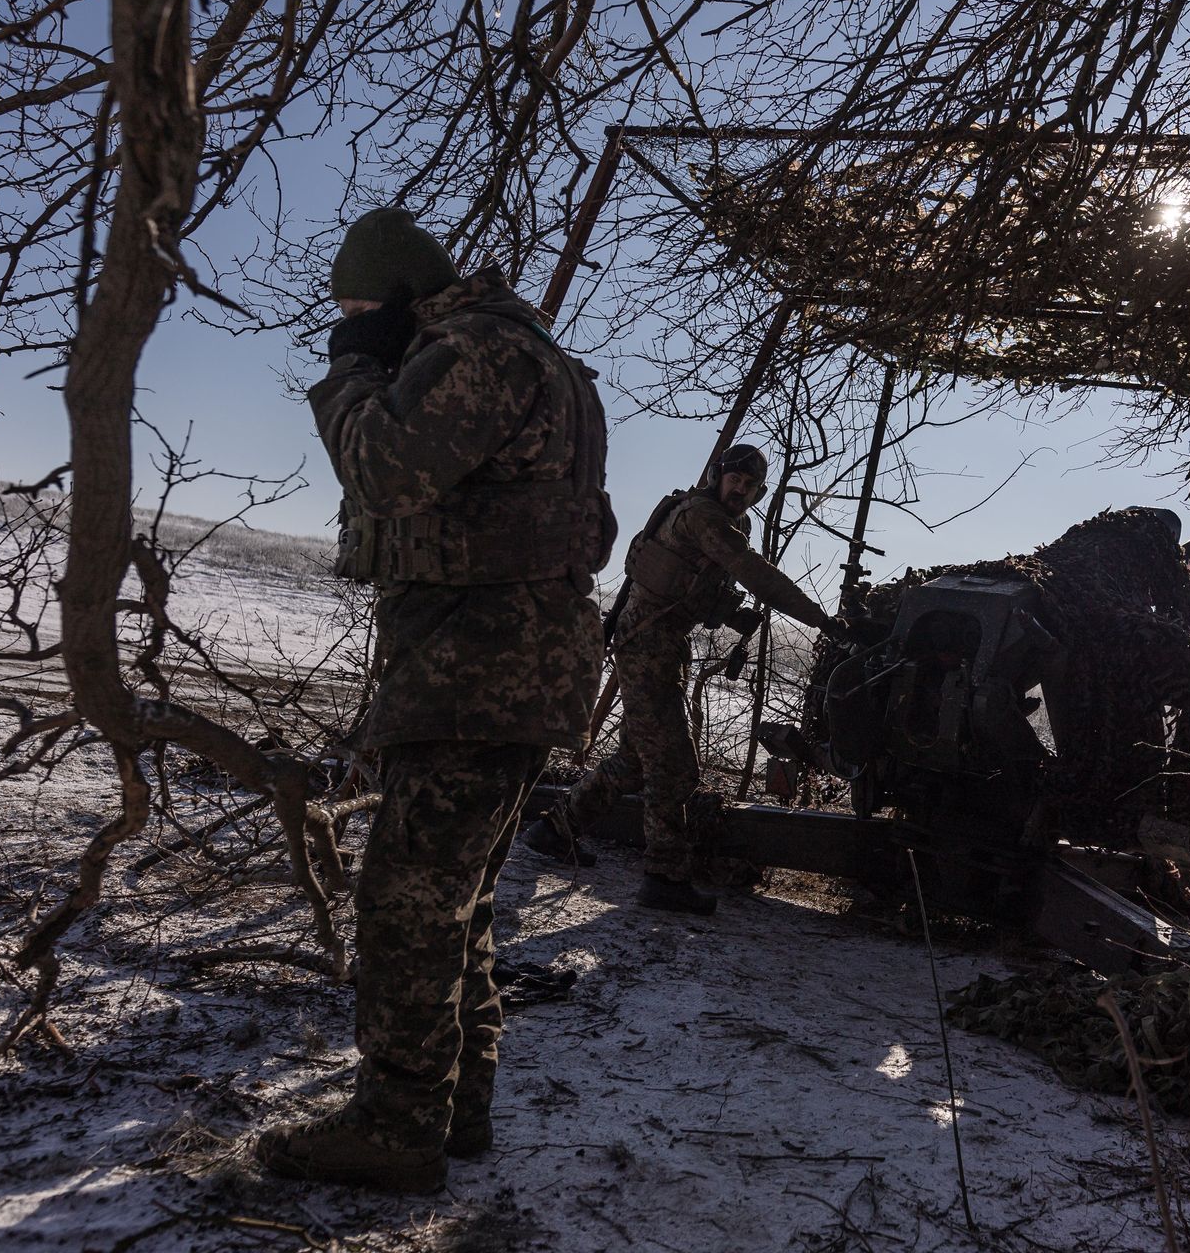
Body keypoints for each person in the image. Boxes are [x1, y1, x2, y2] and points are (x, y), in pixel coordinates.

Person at [254, 208, 612, 1192]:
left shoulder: (480, 350)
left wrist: (350, 371)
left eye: (363, 307)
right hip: (513, 669)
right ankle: (457, 1106)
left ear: (402, 293)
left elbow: (385, 472)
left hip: (475, 670)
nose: (355, 322)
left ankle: (397, 1125)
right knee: (460, 900)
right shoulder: (544, 359)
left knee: (407, 903)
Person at [523, 444, 846, 913]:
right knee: (674, 764)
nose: (742, 490)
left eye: (752, 485)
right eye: (736, 479)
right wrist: (819, 618)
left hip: (659, 642)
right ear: (717, 476)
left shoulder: (719, 520)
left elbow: (692, 587)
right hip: (649, 644)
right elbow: (753, 571)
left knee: (638, 758)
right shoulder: (703, 516)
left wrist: (731, 616)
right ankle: (664, 876)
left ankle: (553, 830)